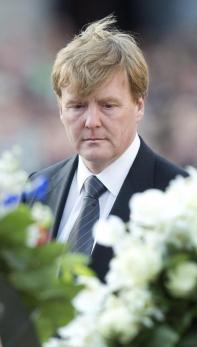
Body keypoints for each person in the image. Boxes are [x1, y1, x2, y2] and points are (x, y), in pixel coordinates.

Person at [25, 15, 188, 281]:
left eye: (108, 106)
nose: (91, 122)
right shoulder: (37, 189)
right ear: (60, 109)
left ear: (139, 105)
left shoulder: (179, 193)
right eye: (77, 106)